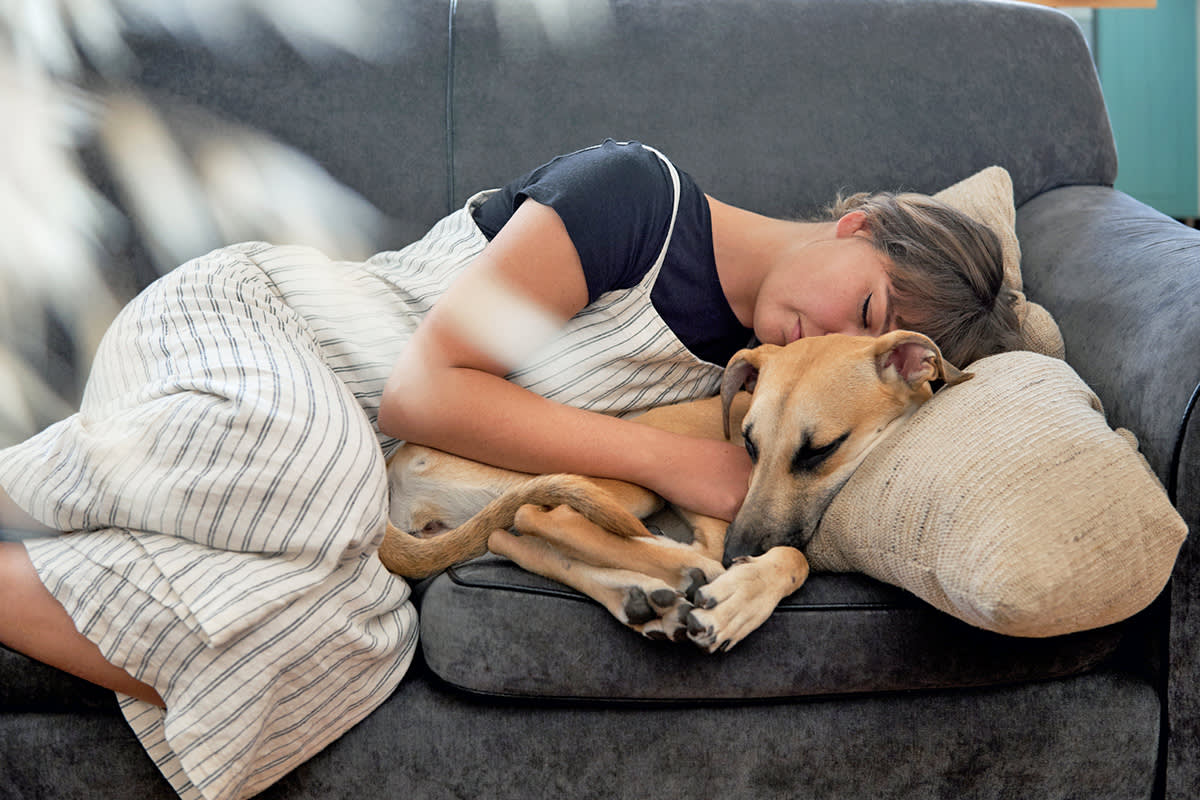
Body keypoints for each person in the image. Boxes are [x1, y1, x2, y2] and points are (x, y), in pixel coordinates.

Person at [0, 139, 1019, 800]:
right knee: (337, 495)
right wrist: (679, 461)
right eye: (869, 307)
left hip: (336, 478)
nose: (832, 336)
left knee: (353, 636)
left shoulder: (762, 390)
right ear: (859, 225)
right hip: (256, 332)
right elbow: (421, 395)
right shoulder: (640, 197)